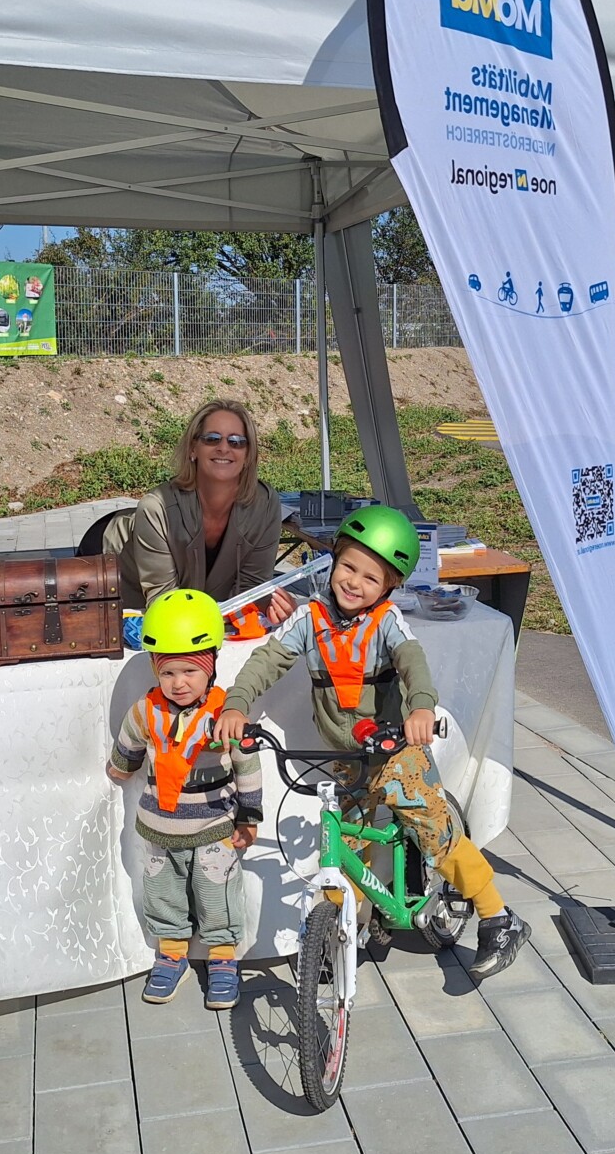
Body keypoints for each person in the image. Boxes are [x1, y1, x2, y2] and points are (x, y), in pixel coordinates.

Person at [214, 505, 529, 980]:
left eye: (370, 576)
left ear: (390, 587)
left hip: (393, 752)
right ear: (332, 560)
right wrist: (238, 703)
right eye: (347, 567)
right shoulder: (309, 618)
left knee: (434, 833)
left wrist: (421, 706)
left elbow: (413, 662)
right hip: (345, 759)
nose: (354, 582)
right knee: (349, 843)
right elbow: (268, 659)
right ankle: (344, 929)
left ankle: (498, 917)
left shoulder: (387, 623)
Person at [107, 589, 261, 1009]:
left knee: (218, 892)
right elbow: (129, 744)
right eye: (168, 672)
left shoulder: (224, 714)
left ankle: (224, 960)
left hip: (214, 822)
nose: (178, 683)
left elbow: (247, 766)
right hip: (160, 823)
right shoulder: (145, 711)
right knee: (164, 890)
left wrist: (249, 816)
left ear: (209, 667)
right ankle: (171, 953)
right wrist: (119, 767)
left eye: (190, 672)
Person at [105, 400, 293, 623]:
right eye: (212, 439)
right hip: (121, 574)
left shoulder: (266, 504)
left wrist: (274, 606)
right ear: (193, 448)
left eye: (237, 441)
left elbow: (250, 591)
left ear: (248, 454)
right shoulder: (156, 508)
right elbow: (164, 604)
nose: (224, 448)